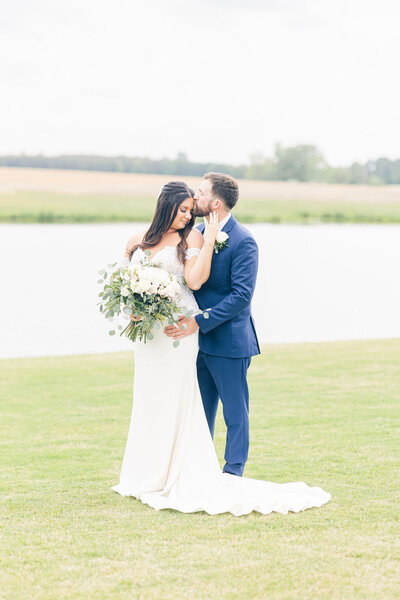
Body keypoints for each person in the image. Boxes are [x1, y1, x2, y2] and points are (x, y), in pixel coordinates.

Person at [111, 179, 331, 516]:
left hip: (224, 337)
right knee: (196, 409)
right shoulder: (190, 231)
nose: (194, 201)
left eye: (199, 195)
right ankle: (185, 467)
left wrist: (198, 320)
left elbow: (241, 295)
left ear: (214, 203)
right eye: (187, 202)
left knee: (235, 410)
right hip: (179, 335)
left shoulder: (240, 241)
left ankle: (233, 475)